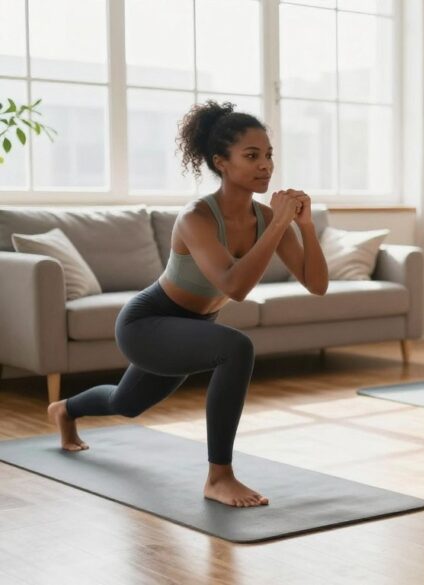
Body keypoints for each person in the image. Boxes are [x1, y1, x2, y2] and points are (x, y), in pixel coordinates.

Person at [47, 101, 328, 508]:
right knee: (236, 347)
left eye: (268, 155)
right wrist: (282, 223)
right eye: (251, 156)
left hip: (188, 329)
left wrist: (303, 225)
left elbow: (316, 284)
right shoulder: (196, 217)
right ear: (221, 163)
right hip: (147, 323)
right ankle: (219, 477)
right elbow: (235, 286)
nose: (265, 165)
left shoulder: (269, 219)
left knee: (126, 404)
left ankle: (65, 410)